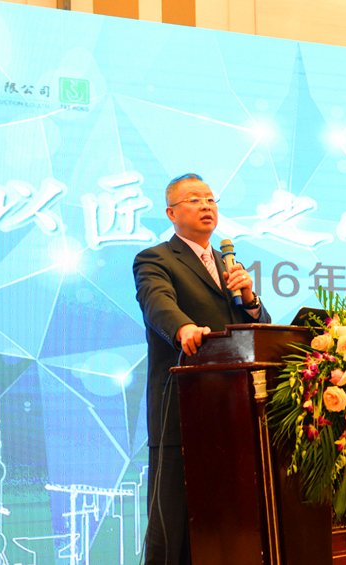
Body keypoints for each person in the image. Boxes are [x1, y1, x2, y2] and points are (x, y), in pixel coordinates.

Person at [133, 173, 271, 565]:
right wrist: (183, 329)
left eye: (210, 199)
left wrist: (249, 298)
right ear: (171, 213)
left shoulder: (229, 265)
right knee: (173, 525)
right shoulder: (156, 259)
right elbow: (157, 302)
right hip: (182, 409)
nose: (206, 205)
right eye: (195, 199)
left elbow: (258, 331)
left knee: (229, 525)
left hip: (233, 415)